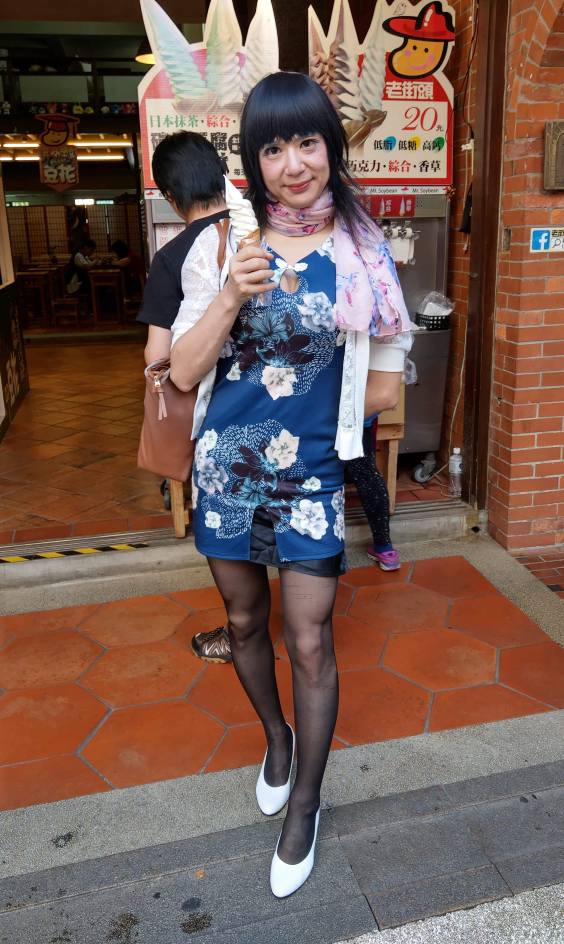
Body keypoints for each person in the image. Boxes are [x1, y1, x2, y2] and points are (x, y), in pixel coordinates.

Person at [169, 71, 412, 897]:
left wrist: (315, 400)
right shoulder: (220, 245)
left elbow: (387, 387)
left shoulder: (365, 252)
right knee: (243, 620)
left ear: (331, 147)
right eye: (273, 148)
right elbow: (183, 371)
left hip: (309, 472)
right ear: (254, 162)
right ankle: (275, 738)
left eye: (307, 141)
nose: (293, 163)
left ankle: (304, 802)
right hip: (226, 468)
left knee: (310, 640)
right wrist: (231, 296)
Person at [137, 132, 232, 664]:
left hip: (213, 422)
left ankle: (240, 634)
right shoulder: (266, 235)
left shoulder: (174, 257)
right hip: (281, 414)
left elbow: (159, 357)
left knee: (228, 535)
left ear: (171, 196)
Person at [345, 413, 400, 569]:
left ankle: (322, 551)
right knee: (368, 476)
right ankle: (384, 548)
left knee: (320, 477)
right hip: (357, 419)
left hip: (319, 421)